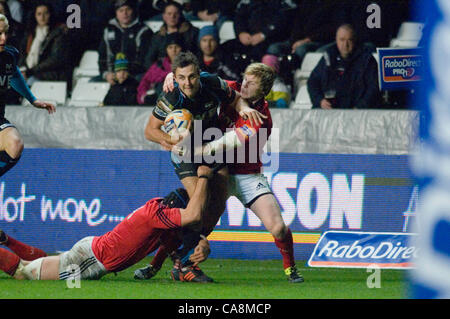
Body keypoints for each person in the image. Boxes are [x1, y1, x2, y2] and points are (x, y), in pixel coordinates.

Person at [135, 62, 303, 283]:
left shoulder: (262, 117)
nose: (244, 84)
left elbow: (231, 141)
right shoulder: (232, 87)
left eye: (251, 83)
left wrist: (202, 150)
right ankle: (156, 265)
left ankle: (290, 269)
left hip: (247, 176)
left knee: (278, 227)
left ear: (264, 90)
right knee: (196, 224)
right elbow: (197, 77)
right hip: (217, 170)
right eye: (244, 78)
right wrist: (171, 77)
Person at [143, 51, 266, 282]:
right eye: (181, 78)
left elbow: (235, 98)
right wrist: (170, 140)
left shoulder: (211, 83)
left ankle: (181, 258)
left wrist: (244, 109)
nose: (187, 83)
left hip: (212, 147)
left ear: (199, 74)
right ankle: (185, 264)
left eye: (191, 77)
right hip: (186, 152)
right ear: (174, 77)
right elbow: (150, 130)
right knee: (198, 205)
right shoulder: (170, 98)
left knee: (217, 206)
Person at [0, 165, 214, 281]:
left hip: (92, 251)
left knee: (43, 262)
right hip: (92, 259)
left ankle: (5, 239)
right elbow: (193, 215)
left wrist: (152, 268)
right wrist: (203, 176)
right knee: (24, 273)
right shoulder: (156, 214)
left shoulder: (161, 213)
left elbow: (168, 243)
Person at [0, 13, 55, 178]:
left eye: (5, 33)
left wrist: (33, 99)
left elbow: (14, 74)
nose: (3, 38)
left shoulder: (9, 55)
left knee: (14, 144)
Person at [307, 24, 381, 109]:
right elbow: (313, 81)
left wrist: (360, 107)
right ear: (336, 40)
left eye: (349, 40)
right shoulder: (328, 56)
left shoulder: (366, 60)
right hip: (329, 112)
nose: (345, 44)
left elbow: (373, 88)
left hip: (357, 114)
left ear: (355, 40)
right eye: (342, 40)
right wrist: (320, 101)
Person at [97, 0, 153, 85]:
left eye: (128, 9)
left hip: (135, 75)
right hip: (113, 74)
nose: (125, 13)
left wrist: (125, 72)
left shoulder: (144, 31)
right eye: (121, 10)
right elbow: (103, 57)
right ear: (116, 13)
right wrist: (106, 74)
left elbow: (143, 60)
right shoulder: (108, 30)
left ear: (133, 10)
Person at [17, 1, 70, 86]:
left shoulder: (59, 33)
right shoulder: (30, 34)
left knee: (28, 83)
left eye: (46, 13)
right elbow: (23, 55)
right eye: (39, 14)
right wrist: (23, 70)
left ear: (51, 14)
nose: (42, 17)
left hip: (49, 75)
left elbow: (54, 60)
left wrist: (30, 72)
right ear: (35, 16)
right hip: (30, 73)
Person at [144, 1, 199, 69]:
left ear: (181, 15)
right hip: (161, 71)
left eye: (176, 13)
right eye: (169, 14)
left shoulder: (192, 32)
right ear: (164, 16)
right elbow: (149, 59)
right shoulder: (158, 36)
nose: (172, 16)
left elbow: (196, 55)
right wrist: (158, 71)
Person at [137, 32, 184, 106]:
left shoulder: (188, 65)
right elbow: (145, 81)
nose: (174, 50)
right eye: (170, 47)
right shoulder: (159, 65)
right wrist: (143, 96)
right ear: (166, 49)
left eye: (177, 47)